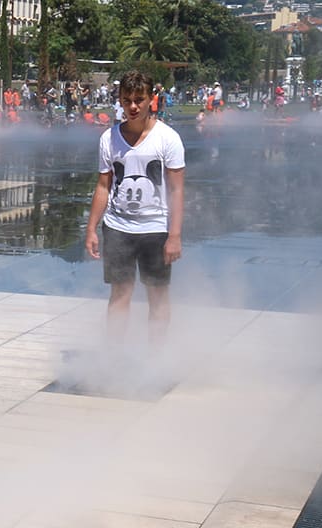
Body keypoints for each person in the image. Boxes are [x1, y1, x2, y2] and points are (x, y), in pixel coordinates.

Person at [84, 71, 185, 346]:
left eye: (139, 100)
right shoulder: (109, 138)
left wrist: (174, 236)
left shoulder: (168, 138)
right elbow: (103, 186)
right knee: (120, 293)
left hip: (156, 229)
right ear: (119, 100)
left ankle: (155, 358)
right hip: (118, 228)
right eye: (127, 100)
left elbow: (176, 190)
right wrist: (91, 228)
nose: (133, 107)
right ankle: (114, 357)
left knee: (157, 293)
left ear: (151, 99)